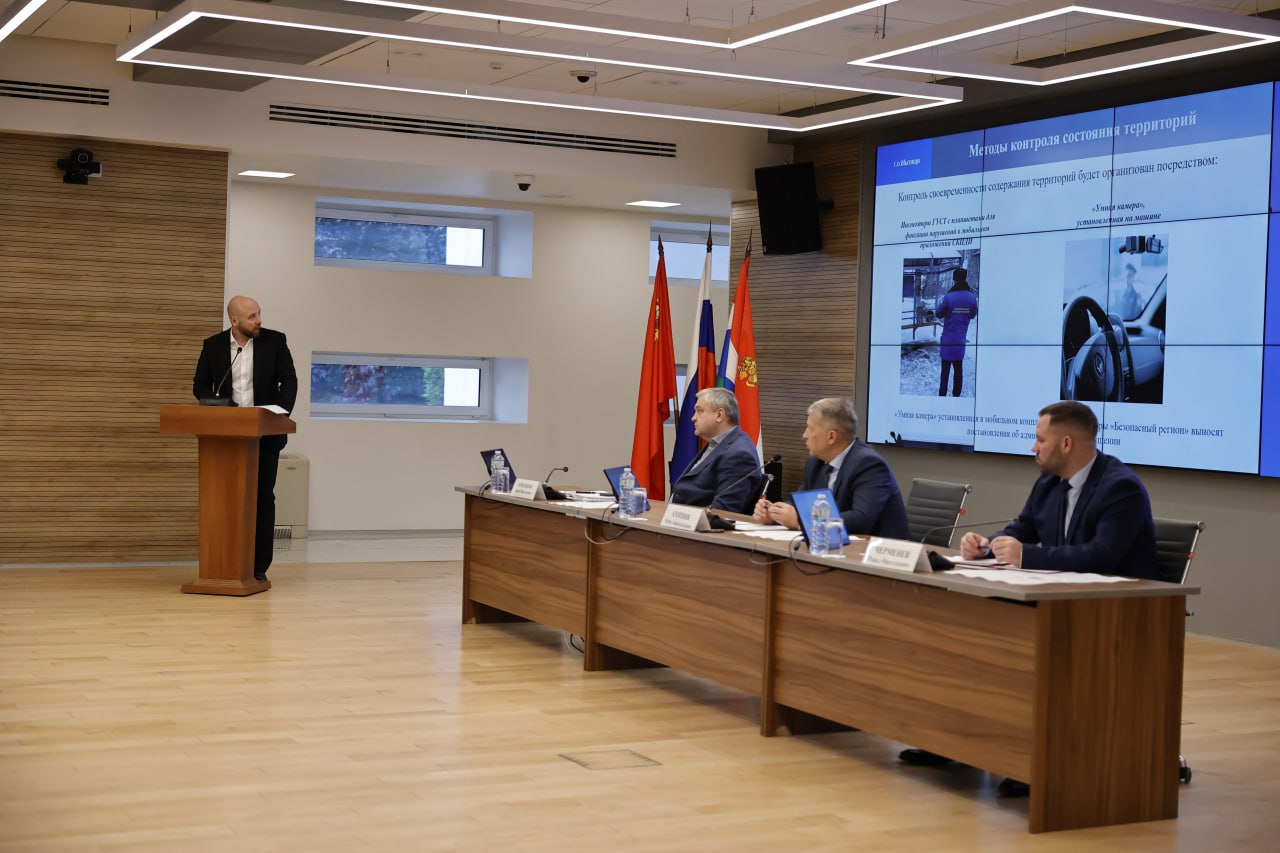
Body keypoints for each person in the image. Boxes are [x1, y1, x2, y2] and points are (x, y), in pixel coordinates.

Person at [901, 400, 1158, 796]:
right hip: (1058, 600)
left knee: (1017, 644)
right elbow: (1022, 529)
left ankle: (1030, 757)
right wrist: (985, 546)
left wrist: (1027, 556)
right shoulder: (1049, 483)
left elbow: (1103, 555)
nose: (1033, 448)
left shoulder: (1120, 487)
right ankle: (958, 741)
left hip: (1113, 610)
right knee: (969, 624)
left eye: (1040, 440)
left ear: (1066, 444)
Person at [193, 295, 298, 582]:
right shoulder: (213, 346)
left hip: (264, 434)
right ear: (234, 320)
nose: (259, 320)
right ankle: (223, 561)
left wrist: (280, 414)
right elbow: (200, 385)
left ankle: (258, 566)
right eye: (252, 316)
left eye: (259, 314)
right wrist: (223, 407)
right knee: (224, 498)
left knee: (262, 496)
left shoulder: (275, 341)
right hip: (226, 437)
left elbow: (289, 380)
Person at [753, 397, 909, 538]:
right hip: (834, 546)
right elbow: (801, 501)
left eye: (810, 429)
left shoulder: (868, 464)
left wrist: (802, 521)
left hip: (878, 552)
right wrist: (775, 512)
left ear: (831, 436)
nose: (804, 435)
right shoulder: (815, 462)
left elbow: (861, 519)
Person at [668, 387, 762, 514]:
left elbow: (722, 511)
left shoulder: (739, 454)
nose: (693, 418)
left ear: (719, 415)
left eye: (699, 411)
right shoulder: (717, 443)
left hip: (694, 523)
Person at [936, 267, 977, 397]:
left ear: (954, 280)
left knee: (945, 372)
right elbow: (972, 314)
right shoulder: (972, 297)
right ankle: (956, 397)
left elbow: (939, 314)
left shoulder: (949, 297)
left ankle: (942, 396)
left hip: (947, 341)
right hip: (960, 341)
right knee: (958, 371)